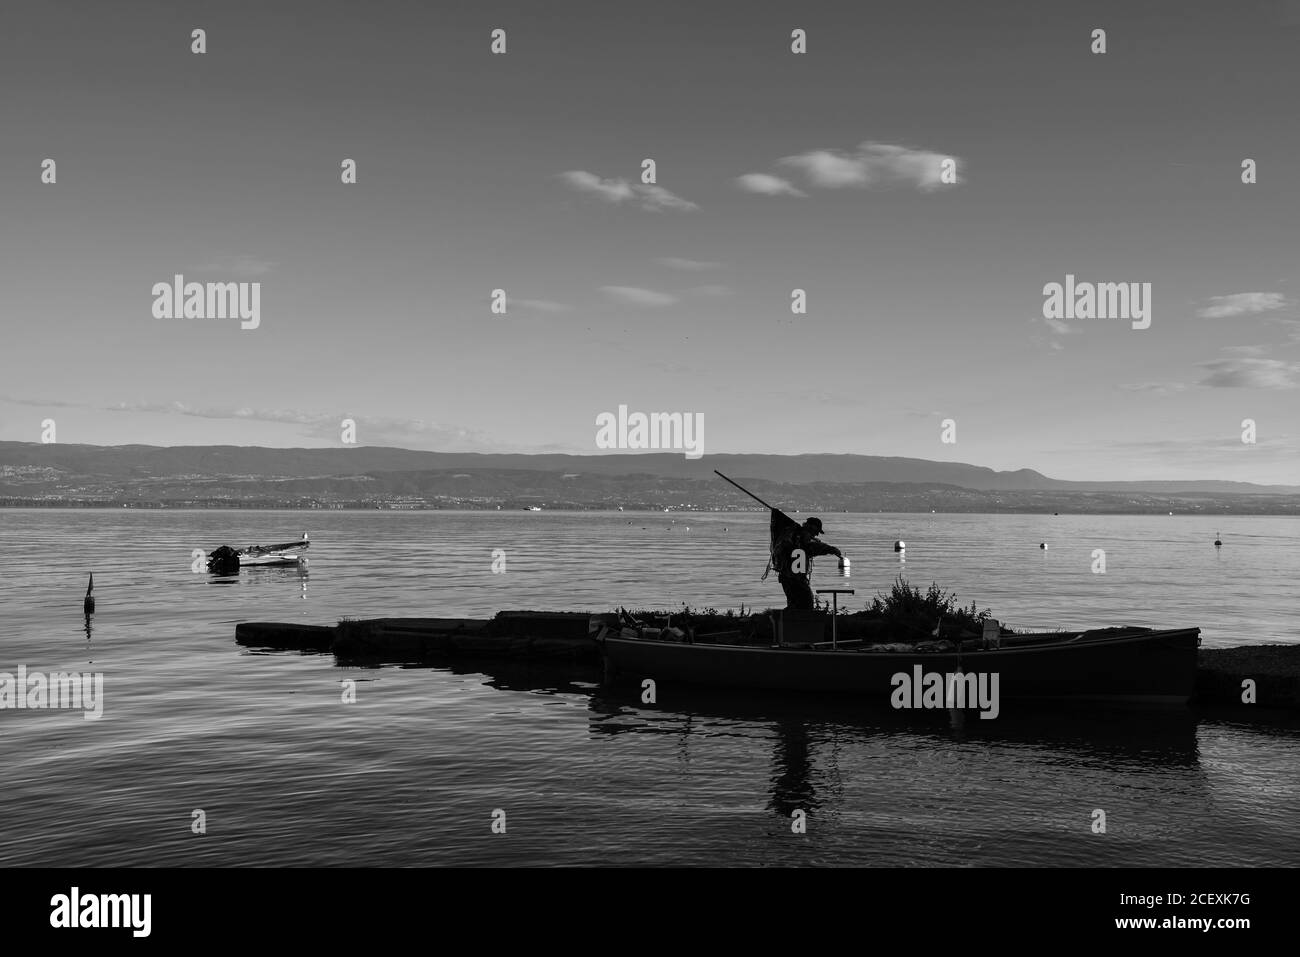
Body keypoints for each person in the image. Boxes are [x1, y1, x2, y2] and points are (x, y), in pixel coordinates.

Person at [772, 517, 841, 610]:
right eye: (816, 531)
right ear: (811, 528)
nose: (816, 535)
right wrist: (831, 549)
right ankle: (798, 622)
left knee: (795, 604)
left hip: (787, 577)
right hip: (795, 578)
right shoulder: (802, 537)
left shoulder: (794, 536)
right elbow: (812, 547)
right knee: (806, 603)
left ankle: (790, 622)